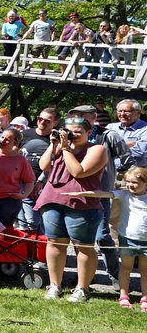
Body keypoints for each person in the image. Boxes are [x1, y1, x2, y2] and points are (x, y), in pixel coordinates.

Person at [36, 117, 108, 302]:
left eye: (77, 132)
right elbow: (44, 166)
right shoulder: (61, 147)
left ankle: (82, 288)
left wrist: (66, 148)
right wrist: (53, 145)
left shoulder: (97, 149)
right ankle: (54, 286)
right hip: (53, 200)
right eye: (69, 131)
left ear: (89, 132)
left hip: (82, 204)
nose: (72, 135)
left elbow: (78, 171)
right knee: (54, 243)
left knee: (82, 246)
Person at [62, 166, 147, 312]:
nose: (129, 185)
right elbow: (103, 193)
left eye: (134, 182)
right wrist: (82, 193)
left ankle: (145, 297)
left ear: (146, 183)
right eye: (127, 182)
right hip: (127, 239)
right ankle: (124, 295)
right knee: (126, 268)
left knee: (145, 271)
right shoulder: (124, 195)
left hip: (145, 241)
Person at [68, 104, 135, 288]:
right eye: (75, 116)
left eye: (82, 115)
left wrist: (116, 174)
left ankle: (115, 277)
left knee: (103, 236)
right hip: (75, 192)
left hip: (100, 193)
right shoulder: (71, 136)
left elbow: (128, 158)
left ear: (93, 116)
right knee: (78, 238)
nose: (78, 119)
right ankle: (85, 279)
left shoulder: (108, 135)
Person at [18, 107, 61, 232]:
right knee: (21, 223)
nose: (42, 122)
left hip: (44, 184)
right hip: (20, 182)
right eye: (39, 118)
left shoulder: (56, 139)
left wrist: (41, 181)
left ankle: (40, 247)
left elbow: (56, 162)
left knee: (38, 221)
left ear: (55, 123)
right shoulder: (25, 134)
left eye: (47, 121)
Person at [107, 99, 147, 168]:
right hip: (110, 172)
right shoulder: (110, 127)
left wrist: (112, 149)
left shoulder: (145, 129)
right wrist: (126, 145)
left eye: (127, 111)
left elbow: (139, 153)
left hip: (133, 174)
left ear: (138, 113)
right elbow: (101, 147)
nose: (122, 114)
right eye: (120, 111)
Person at [20, 9, 55, 75]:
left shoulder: (50, 22)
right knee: (34, 55)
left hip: (46, 42)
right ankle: (28, 68)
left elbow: (53, 31)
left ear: (46, 14)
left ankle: (43, 70)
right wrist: (23, 38)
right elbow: (29, 31)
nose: (41, 15)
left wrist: (52, 39)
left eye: (42, 13)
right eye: (40, 14)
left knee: (45, 56)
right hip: (37, 41)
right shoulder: (35, 22)